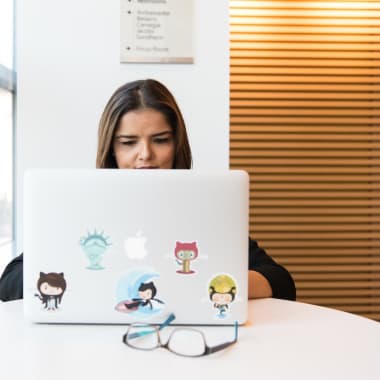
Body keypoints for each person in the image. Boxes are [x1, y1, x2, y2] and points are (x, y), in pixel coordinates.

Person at [0, 79, 296, 302]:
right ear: (111, 149)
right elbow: (10, 281)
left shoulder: (202, 205)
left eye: (161, 139)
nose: (145, 155)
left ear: (176, 144)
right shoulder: (88, 205)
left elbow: (281, 282)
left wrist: (201, 284)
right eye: (128, 142)